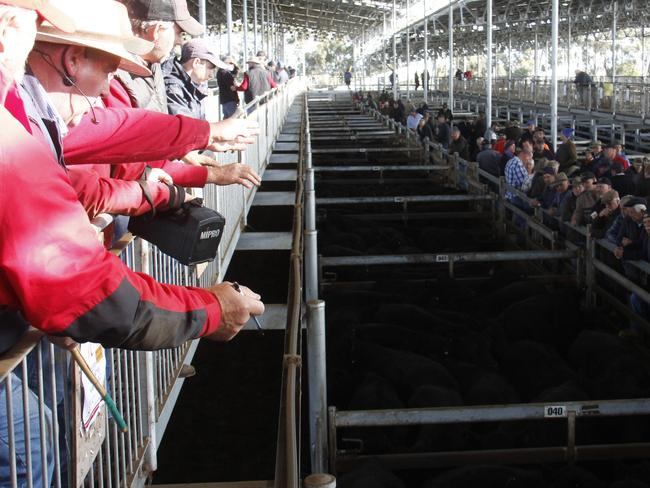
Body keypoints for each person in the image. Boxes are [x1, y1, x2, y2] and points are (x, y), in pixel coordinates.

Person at [0, 2, 263, 487]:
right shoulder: (12, 139)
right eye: (107, 68)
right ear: (71, 60)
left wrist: (200, 141)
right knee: (30, 449)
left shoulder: (32, 113)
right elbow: (85, 289)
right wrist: (208, 310)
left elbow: (108, 133)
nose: (105, 93)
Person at [165, 38, 230, 118]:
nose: (211, 75)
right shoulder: (173, 88)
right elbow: (188, 128)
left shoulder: (193, 88)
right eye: (210, 67)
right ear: (196, 62)